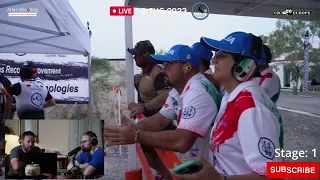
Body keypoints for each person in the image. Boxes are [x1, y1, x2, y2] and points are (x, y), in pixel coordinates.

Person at [171, 32, 283, 180]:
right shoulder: (231, 97)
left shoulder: (251, 109)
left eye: (221, 56)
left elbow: (273, 175)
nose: (213, 60)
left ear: (245, 65)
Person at [105, 44, 221, 180]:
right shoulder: (178, 89)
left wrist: (137, 135)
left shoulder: (197, 90)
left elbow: (181, 141)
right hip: (205, 165)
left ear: (187, 67)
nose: (163, 69)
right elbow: (159, 120)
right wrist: (128, 129)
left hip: (217, 170)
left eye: (168, 64)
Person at [126, 40, 170, 118]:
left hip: (159, 124)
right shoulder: (143, 73)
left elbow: (164, 99)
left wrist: (144, 108)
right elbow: (148, 95)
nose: (134, 57)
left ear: (146, 56)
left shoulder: (158, 73)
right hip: (148, 121)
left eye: (137, 55)